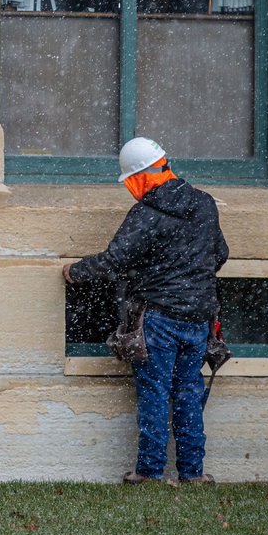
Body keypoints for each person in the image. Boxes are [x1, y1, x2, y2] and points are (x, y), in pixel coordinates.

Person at [62, 137, 228, 484]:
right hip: (198, 319)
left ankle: (150, 473)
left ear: (139, 177)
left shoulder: (147, 214)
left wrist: (75, 272)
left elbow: (114, 261)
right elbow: (220, 255)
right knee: (188, 394)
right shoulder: (204, 204)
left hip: (159, 319)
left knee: (153, 394)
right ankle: (192, 474)